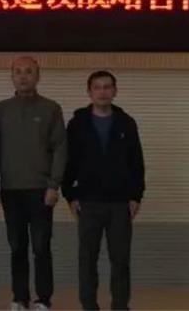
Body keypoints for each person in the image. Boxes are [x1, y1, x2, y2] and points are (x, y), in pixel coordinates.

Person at [63, 71, 145, 311]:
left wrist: (135, 196)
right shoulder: (77, 124)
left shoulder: (126, 123)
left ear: (115, 91)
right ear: (89, 92)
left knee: (120, 259)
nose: (102, 92)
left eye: (107, 87)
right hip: (88, 202)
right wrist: (70, 195)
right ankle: (89, 305)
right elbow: (69, 161)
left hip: (120, 203)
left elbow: (136, 162)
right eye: (97, 87)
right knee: (87, 259)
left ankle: (120, 306)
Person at [0, 56, 67, 310]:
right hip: (11, 190)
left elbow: (60, 149)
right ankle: (19, 298)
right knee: (17, 247)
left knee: (41, 247)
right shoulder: (1, 110)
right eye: (18, 72)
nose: (23, 76)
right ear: (12, 76)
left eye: (29, 71)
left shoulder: (51, 108)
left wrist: (54, 185)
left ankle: (43, 299)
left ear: (38, 76)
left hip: (41, 190)